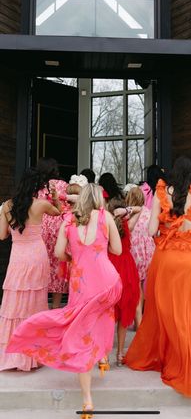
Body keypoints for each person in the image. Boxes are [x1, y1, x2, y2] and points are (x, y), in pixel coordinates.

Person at [7, 184, 122, 417]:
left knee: (81, 332)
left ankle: (88, 400)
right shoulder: (105, 216)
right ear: (98, 199)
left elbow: (59, 253)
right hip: (108, 281)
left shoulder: (68, 222)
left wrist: (75, 257)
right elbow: (117, 251)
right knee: (102, 316)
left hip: (82, 285)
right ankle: (102, 356)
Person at [125, 156, 191, 414]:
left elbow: (151, 232)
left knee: (165, 313)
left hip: (167, 260)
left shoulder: (161, 192)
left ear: (172, 173)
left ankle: (170, 359)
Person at [0, 167, 61, 371]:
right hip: (36, 256)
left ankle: (13, 352)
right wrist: (54, 196)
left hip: (18, 257)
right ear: (38, 187)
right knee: (35, 302)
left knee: (15, 302)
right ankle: (32, 354)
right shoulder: (42, 204)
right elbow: (59, 212)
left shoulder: (7, 206)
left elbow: (2, 236)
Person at [108, 198, 140, 366]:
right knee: (125, 312)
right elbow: (140, 209)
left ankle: (104, 356)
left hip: (110, 266)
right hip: (127, 268)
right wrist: (127, 211)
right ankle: (120, 354)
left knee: (108, 313)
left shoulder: (105, 226)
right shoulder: (128, 225)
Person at [36, 157, 68, 308]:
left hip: (41, 230)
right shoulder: (63, 185)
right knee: (59, 266)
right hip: (59, 230)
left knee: (42, 266)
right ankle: (55, 306)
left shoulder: (36, 187)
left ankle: (41, 304)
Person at [125, 186, 155, 327]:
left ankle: (138, 322)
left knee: (136, 289)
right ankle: (142, 320)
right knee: (145, 288)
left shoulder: (127, 214)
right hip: (148, 251)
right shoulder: (149, 212)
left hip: (134, 251)